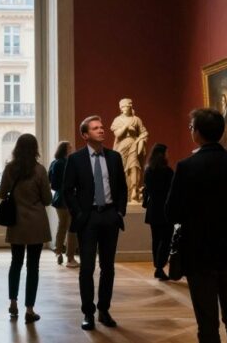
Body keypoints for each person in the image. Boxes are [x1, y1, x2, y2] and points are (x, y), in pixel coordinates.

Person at [166, 108, 227, 343]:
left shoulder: (186, 167)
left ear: (197, 133)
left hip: (198, 253)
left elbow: (171, 212)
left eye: (191, 127)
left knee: (207, 322)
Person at [63, 115, 127, 331]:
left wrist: (120, 211)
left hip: (110, 216)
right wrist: (79, 214)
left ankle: (104, 310)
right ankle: (88, 313)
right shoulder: (76, 159)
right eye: (95, 128)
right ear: (85, 135)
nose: (101, 130)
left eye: (101, 127)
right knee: (87, 268)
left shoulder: (114, 157)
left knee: (108, 267)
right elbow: (67, 191)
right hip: (88, 218)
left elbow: (122, 188)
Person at [0, 133, 52, 323]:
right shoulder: (40, 170)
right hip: (36, 223)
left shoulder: (10, 169)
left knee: (15, 263)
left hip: (16, 223)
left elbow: (1, 193)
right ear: (35, 149)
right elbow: (47, 199)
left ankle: (13, 302)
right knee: (33, 266)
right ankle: (29, 309)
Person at [142, 143, 174, 280]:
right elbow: (172, 192)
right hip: (165, 209)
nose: (168, 155)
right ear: (162, 154)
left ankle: (158, 266)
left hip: (153, 208)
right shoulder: (168, 171)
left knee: (156, 239)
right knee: (166, 239)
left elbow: (146, 191)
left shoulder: (148, 170)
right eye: (167, 152)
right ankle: (160, 266)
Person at [110, 98, 148, 203]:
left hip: (133, 145)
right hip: (121, 147)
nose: (127, 107)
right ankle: (124, 194)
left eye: (128, 105)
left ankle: (134, 194)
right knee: (121, 170)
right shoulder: (117, 120)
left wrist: (140, 139)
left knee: (134, 166)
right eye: (124, 106)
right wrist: (127, 127)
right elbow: (118, 134)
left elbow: (144, 132)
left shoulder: (136, 119)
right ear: (121, 108)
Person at [48, 141, 78, 267]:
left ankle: (58, 250)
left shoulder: (54, 163)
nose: (73, 148)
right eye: (71, 147)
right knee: (72, 228)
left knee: (62, 225)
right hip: (69, 198)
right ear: (66, 150)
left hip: (58, 198)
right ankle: (70, 257)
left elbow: (51, 183)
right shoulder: (68, 163)